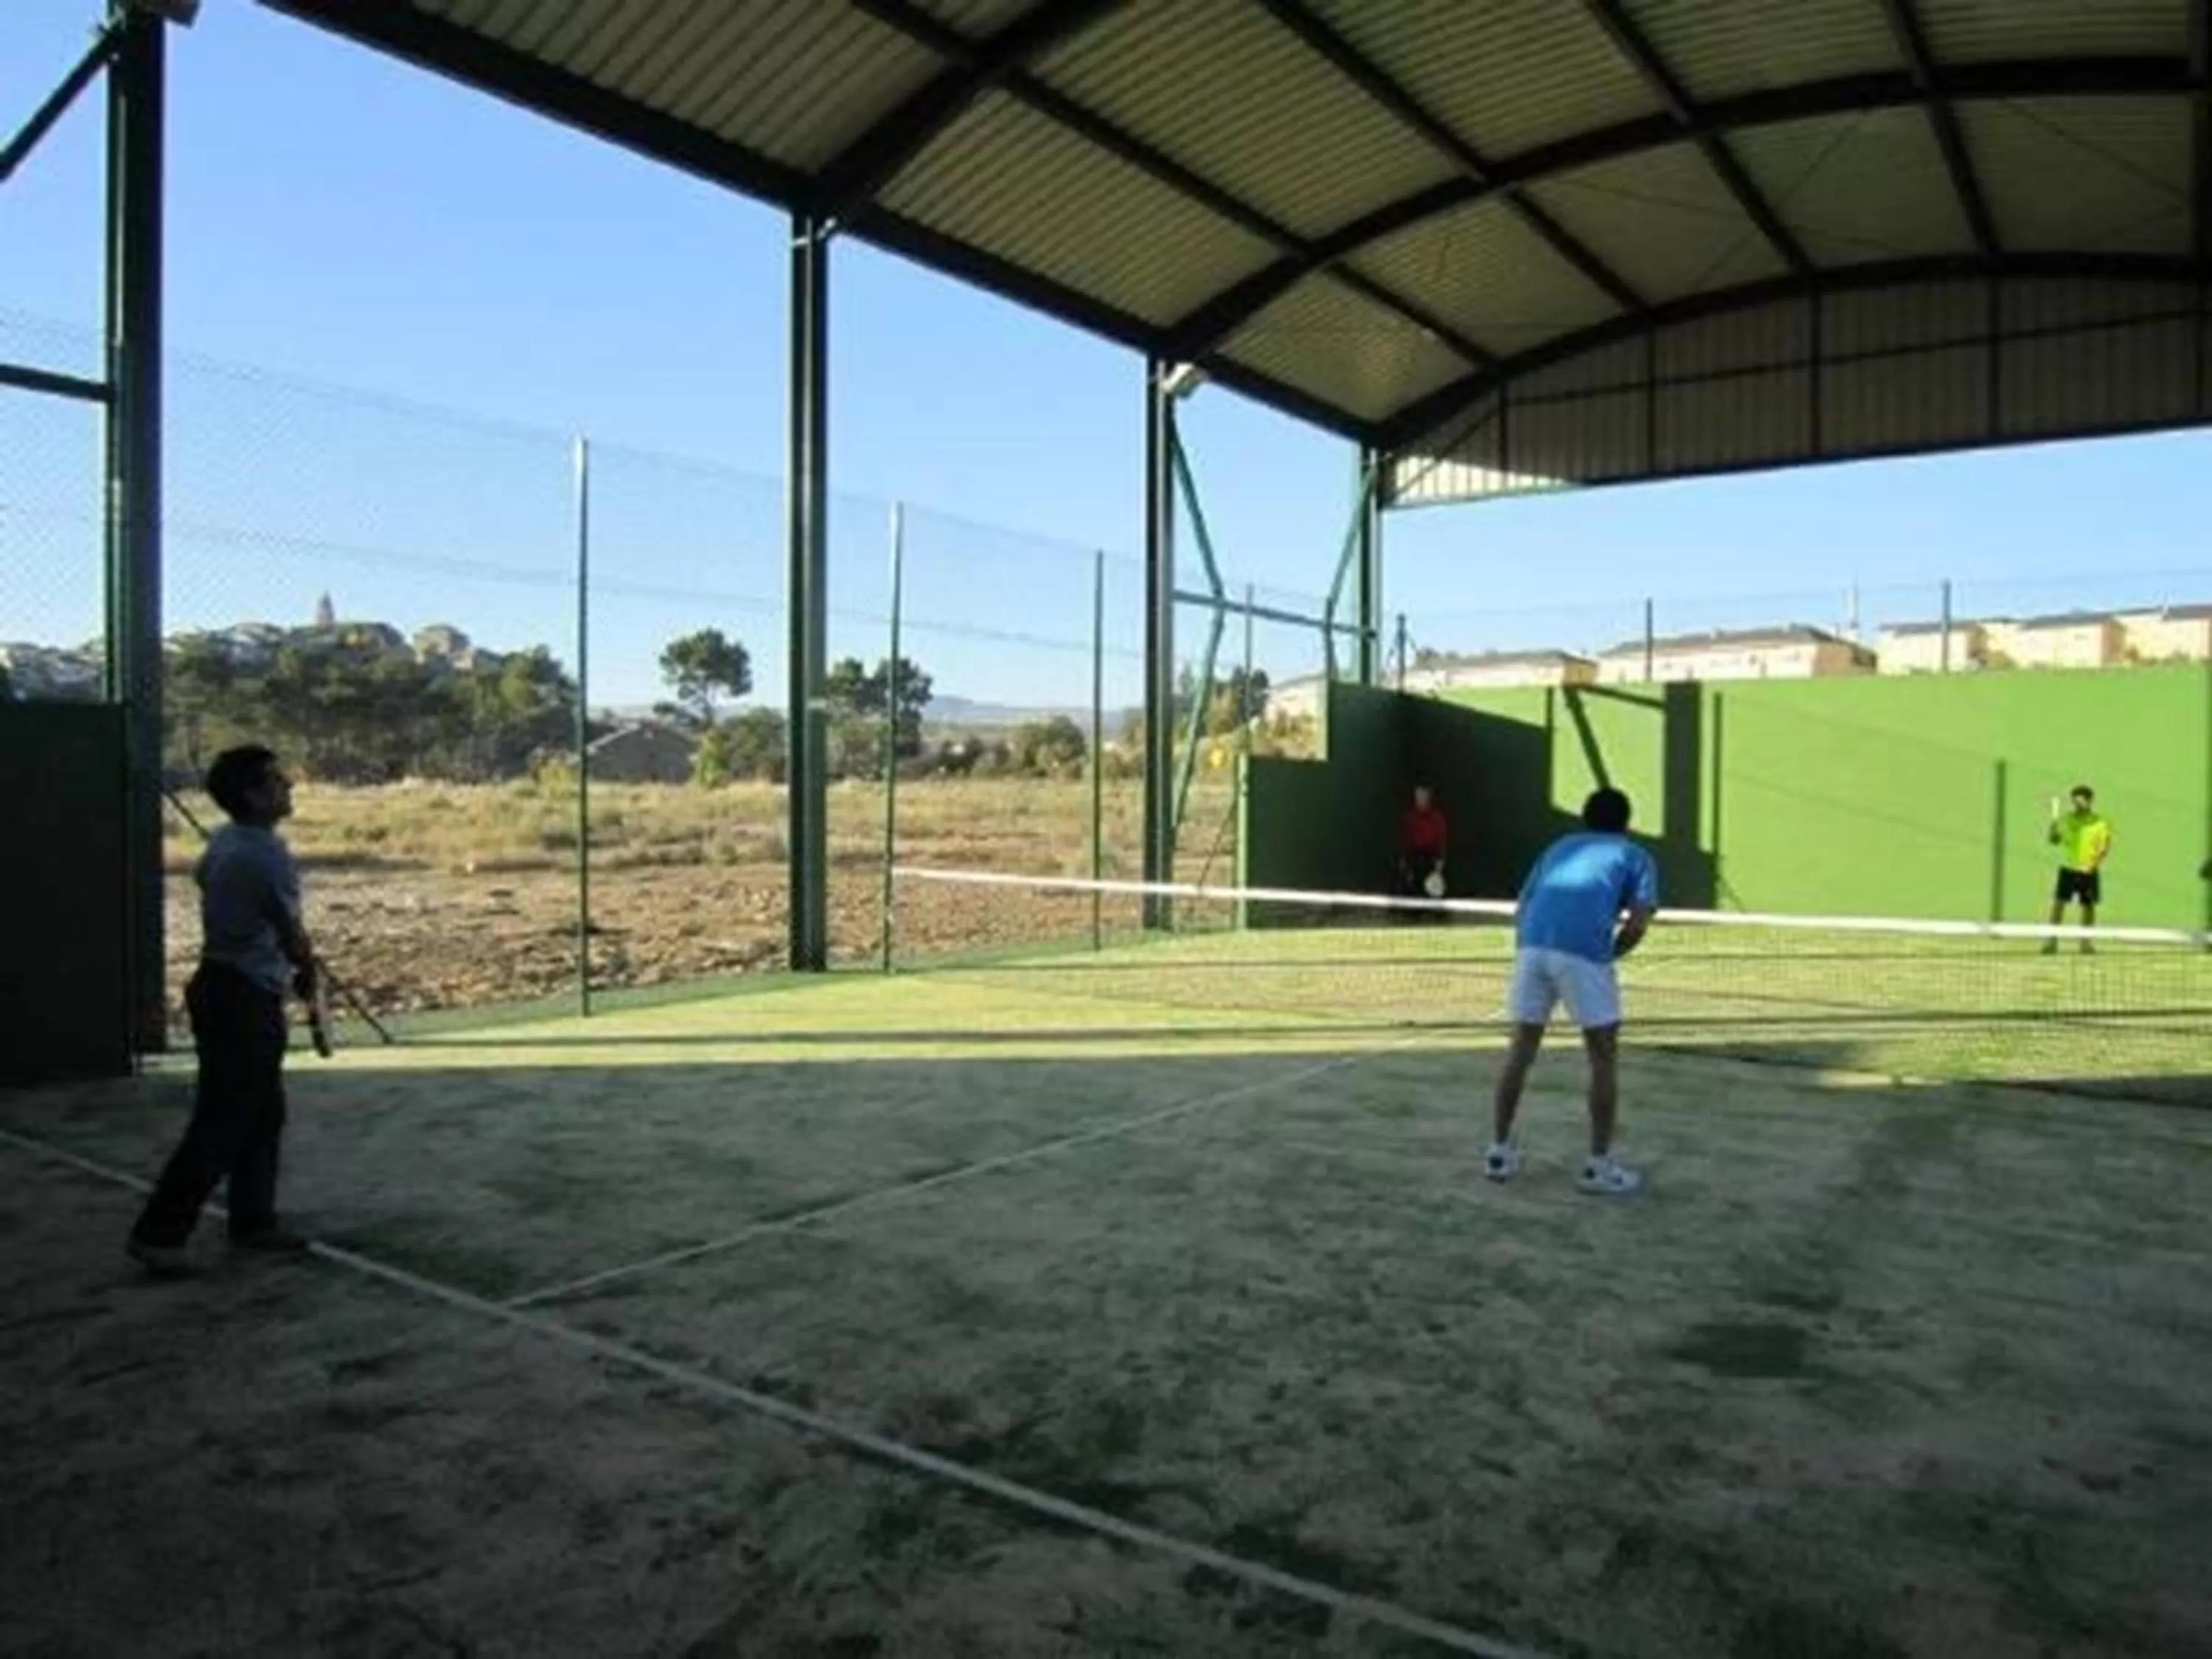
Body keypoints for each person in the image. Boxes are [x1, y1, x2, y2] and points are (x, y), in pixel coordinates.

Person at [127, 746, 318, 1276]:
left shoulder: (227, 842)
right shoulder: (262, 855)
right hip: (241, 998)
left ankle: (253, 1222)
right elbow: (289, 930)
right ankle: (158, 1235)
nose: (288, 786)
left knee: (262, 1113)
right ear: (253, 796)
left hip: (226, 987)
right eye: (276, 780)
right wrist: (305, 968)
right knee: (224, 1119)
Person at [1484, 787, 1658, 1197]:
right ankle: (1598, 1168)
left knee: (1519, 1051)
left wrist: (1533, 949)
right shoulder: (1637, 857)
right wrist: (1608, 954)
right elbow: (1637, 923)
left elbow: (1523, 908)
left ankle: (1498, 1154)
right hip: (1582, 955)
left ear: (1585, 819)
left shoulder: (1558, 847)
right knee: (1603, 1056)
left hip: (1532, 948)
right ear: (1626, 823)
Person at [2045, 784, 2112, 955]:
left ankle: (2085, 944)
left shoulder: (2100, 823)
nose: (2077, 805)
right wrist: (2052, 831)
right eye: (2074, 802)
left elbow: (2105, 847)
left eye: (2080, 802)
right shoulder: (2067, 819)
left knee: (2088, 906)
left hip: (2088, 869)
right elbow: (2054, 840)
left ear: (2090, 801)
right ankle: (2051, 942)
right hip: (2068, 868)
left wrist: (2094, 864)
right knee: (2059, 904)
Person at [1398, 783, 1448, 916]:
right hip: (1414, 858)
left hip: (1431, 858)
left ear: (1429, 797)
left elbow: (1441, 841)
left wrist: (1440, 861)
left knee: (1436, 891)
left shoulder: (1437, 819)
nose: (1420, 799)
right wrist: (1405, 861)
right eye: (1418, 796)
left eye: (1423, 796)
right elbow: (1405, 840)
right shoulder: (1410, 818)